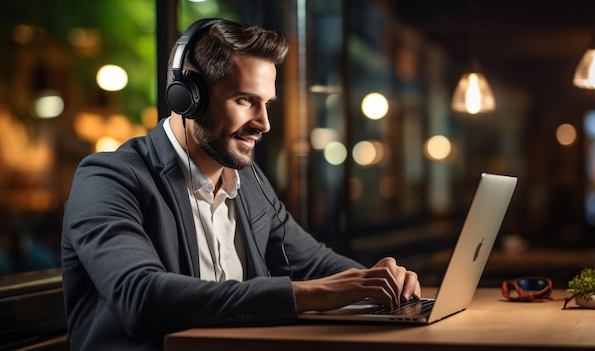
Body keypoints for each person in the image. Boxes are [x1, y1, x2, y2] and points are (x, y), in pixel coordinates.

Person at [61, 18, 421, 351]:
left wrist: (380, 280)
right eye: (246, 100)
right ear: (188, 96)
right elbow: (140, 296)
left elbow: (315, 264)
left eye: (266, 104)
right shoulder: (108, 179)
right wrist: (313, 294)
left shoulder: (246, 181)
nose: (263, 123)